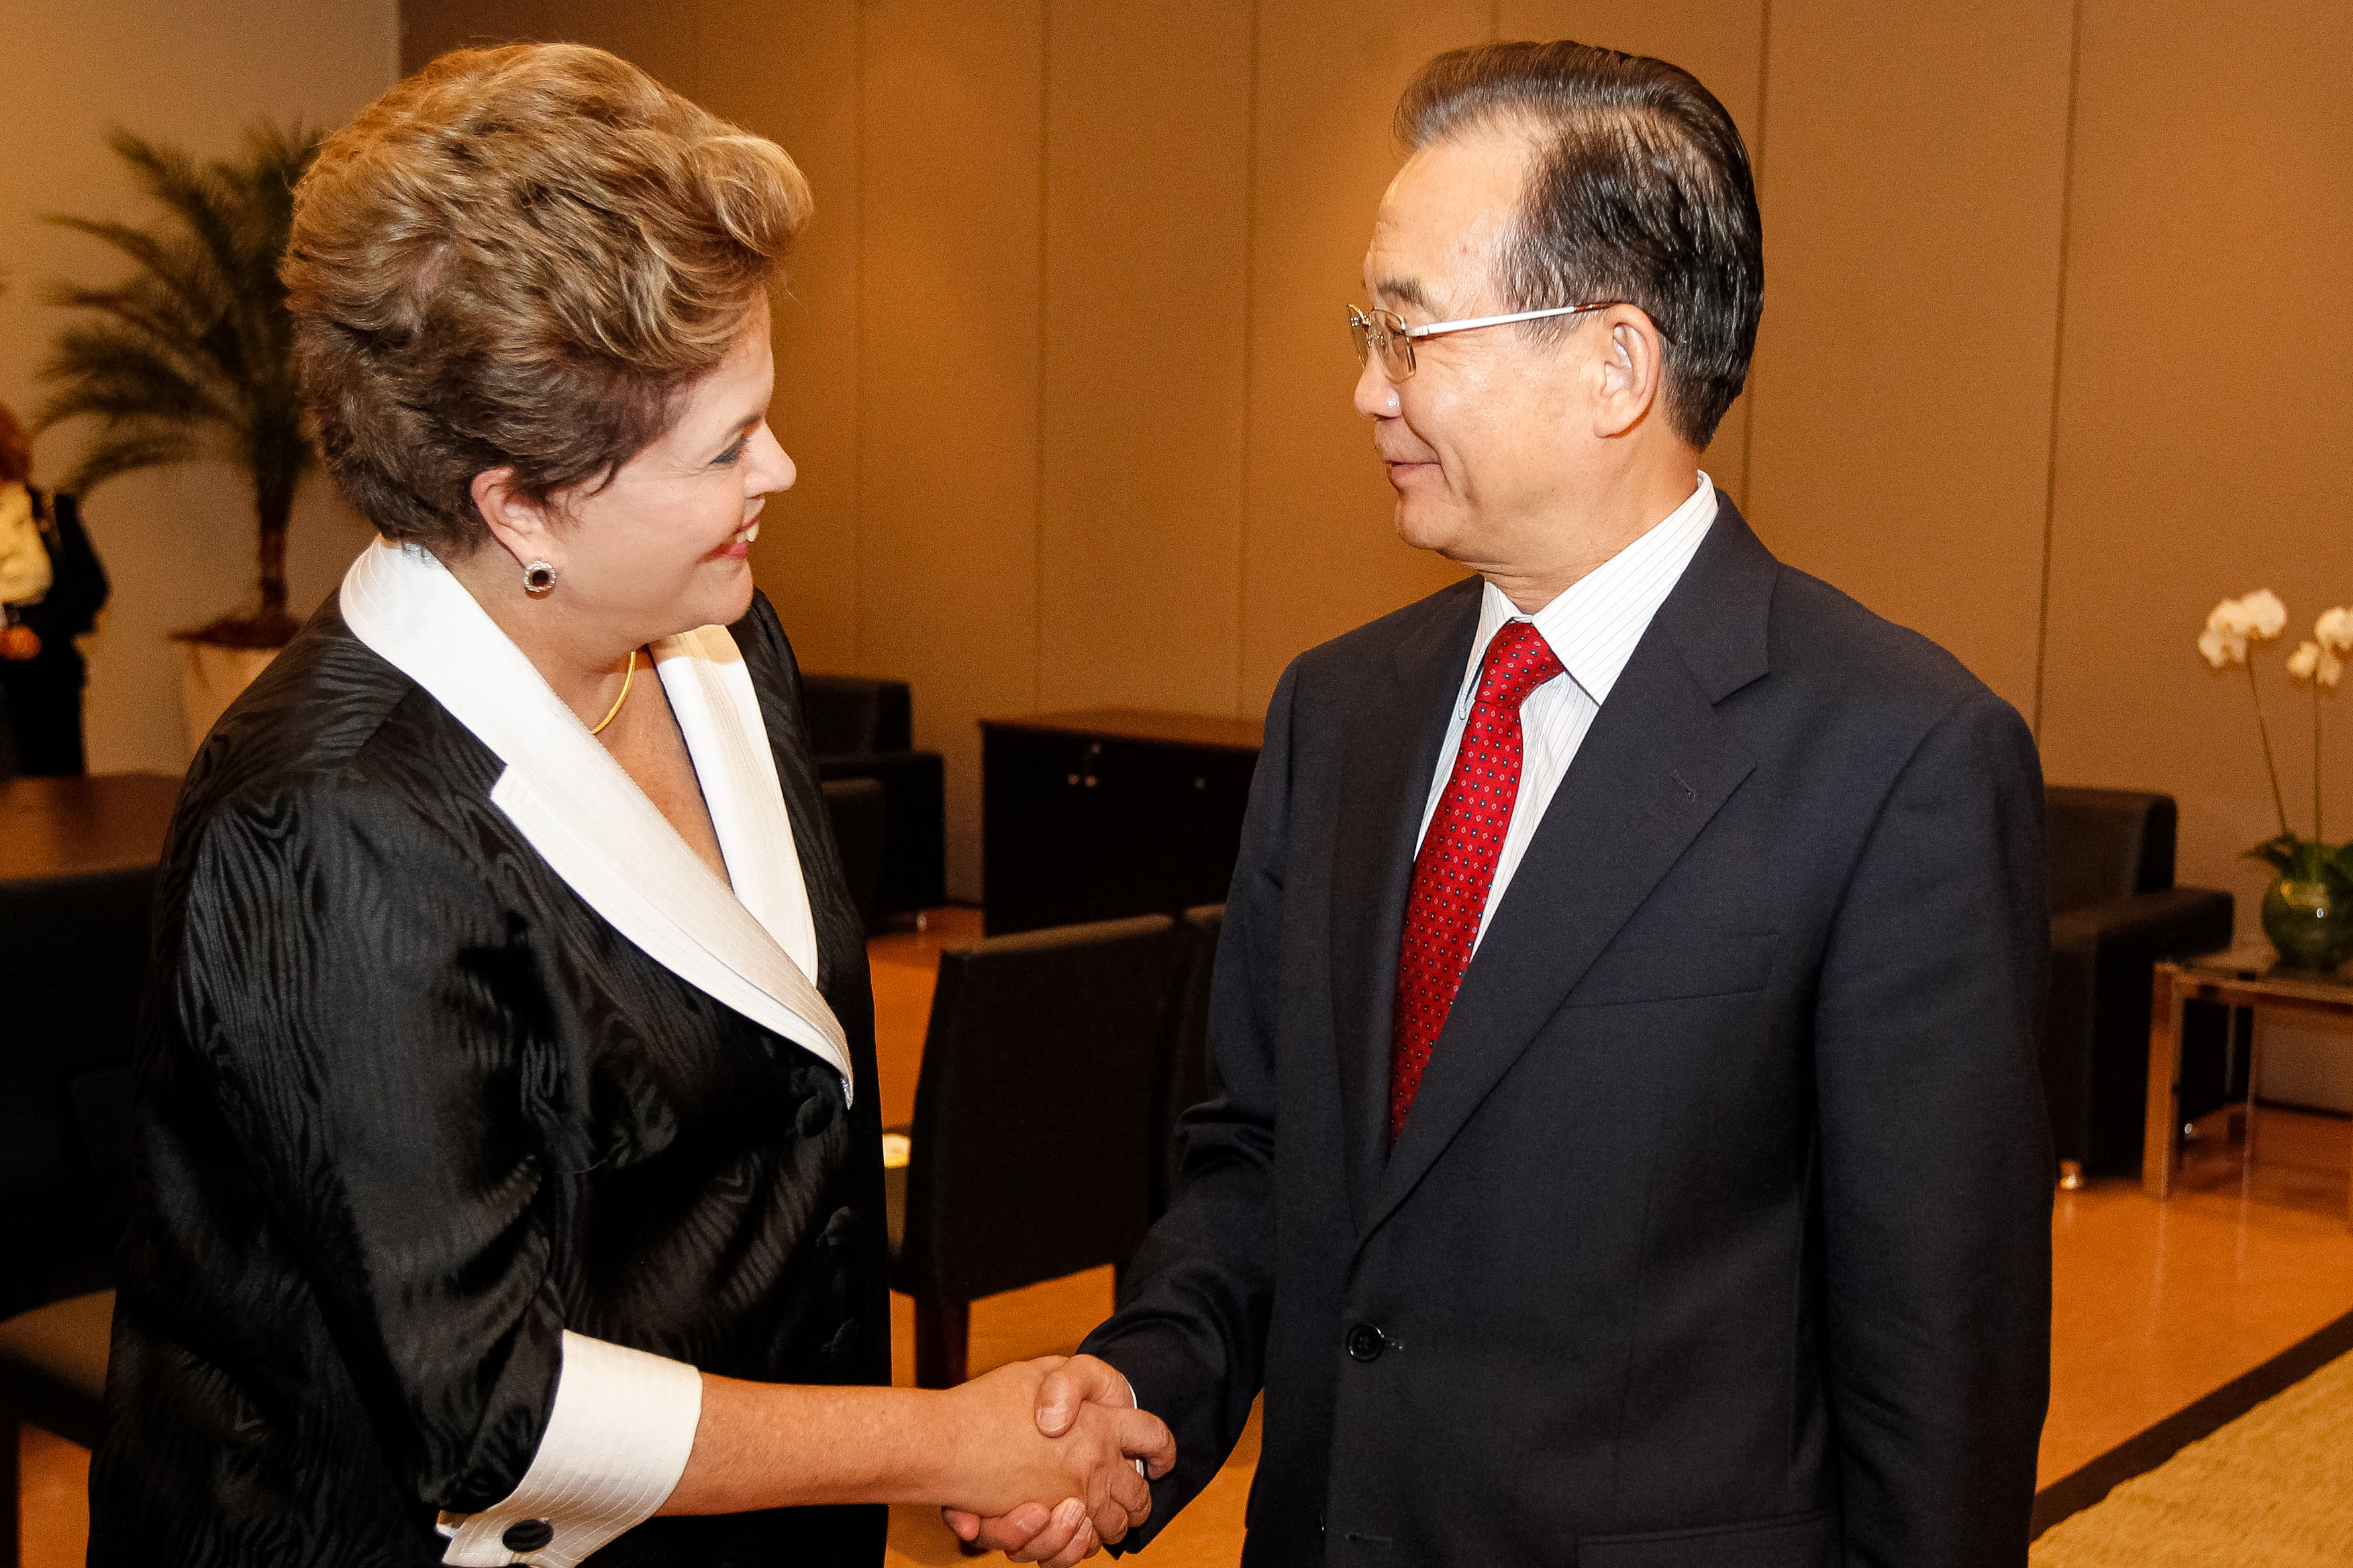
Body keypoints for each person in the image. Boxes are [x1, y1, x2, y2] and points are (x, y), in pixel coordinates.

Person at [962, 38, 2052, 1568]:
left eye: (1410, 334)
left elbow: (1939, 1357)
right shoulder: (1340, 710)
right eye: (1367, 331)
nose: (1366, 389)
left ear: (1614, 365)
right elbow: (1264, 1158)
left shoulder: (1895, 759)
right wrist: (1144, 1391)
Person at [91, 44, 1169, 1568]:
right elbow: (490, 1408)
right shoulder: (329, 818)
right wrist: (939, 1436)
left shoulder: (723, 633)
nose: (780, 466)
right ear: (519, 502)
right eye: (725, 444)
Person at [0, 399, 108, 775]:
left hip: (46, 673)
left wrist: (36, 631)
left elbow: (92, 586)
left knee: (55, 790)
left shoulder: (50, 510)